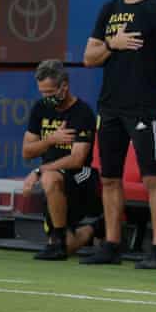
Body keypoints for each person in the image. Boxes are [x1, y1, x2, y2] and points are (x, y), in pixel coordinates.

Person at [81, 0, 156, 268]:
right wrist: (113, 44)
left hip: (142, 108)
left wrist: (149, 86)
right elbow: (89, 57)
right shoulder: (109, 9)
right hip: (109, 106)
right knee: (109, 178)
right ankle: (112, 244)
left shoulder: (155, 9)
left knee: (152, 177)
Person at [22, 60, 102, 260]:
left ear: (64, 86)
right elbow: (27, 151)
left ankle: (57, 240)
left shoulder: (82, 112)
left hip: (82, 176)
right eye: (43, 93)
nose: (46, 98)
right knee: (70, 246)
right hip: (54, 182)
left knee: (49, 177)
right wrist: (51, 140)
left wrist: (39, 171)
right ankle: (96, 228)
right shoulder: (40, 109)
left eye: (50, 93)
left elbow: (77, 159)